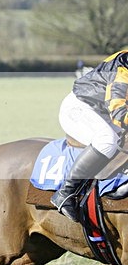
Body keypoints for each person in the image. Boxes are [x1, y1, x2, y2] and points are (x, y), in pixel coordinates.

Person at [51, 50, 128, 220]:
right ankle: (65, 193)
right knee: (107, 141)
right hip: (81, 107)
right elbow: (118, 112)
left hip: (103, 111)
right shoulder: (124, 66)